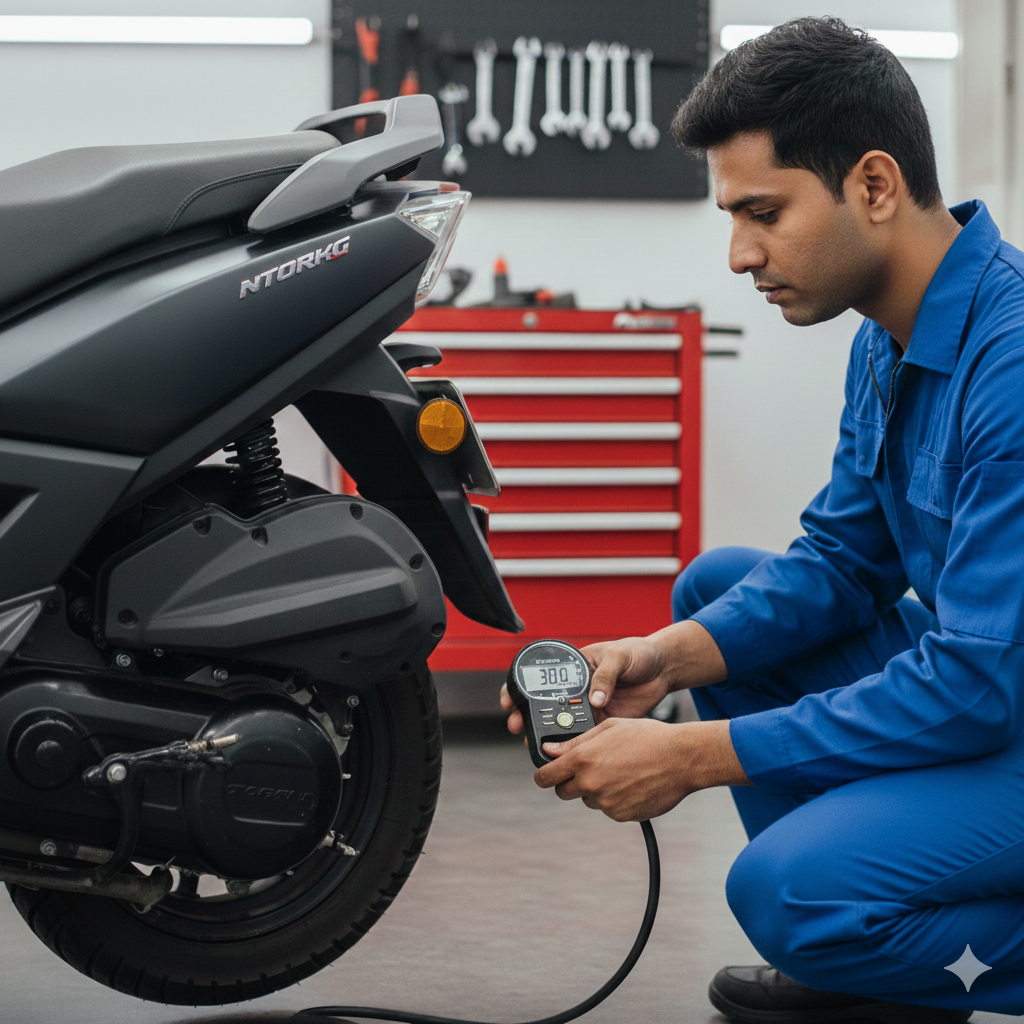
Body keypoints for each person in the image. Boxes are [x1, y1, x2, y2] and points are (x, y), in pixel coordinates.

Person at [499, 16, 1024, 1024]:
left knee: (787, 891)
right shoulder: (889, 339)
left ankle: (868, 939)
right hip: (998, 693)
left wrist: (693, 756)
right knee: (718, 592)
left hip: (1000, 700)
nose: (740, 253)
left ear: (872, 187)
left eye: (763, 213)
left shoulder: (1009, 362)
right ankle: (866, 967)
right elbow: (840, 562)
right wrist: (664, 660)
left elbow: (975, 686)